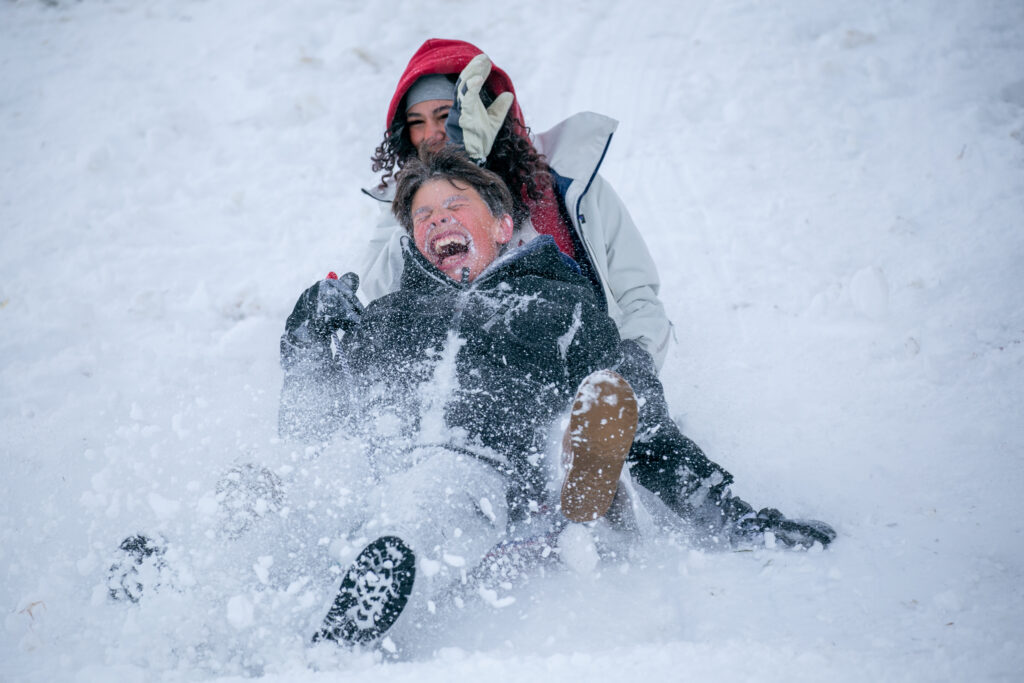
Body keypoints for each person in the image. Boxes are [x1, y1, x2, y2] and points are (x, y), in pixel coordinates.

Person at [280, 148, 835, 647]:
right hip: (383, 467)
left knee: (450, 492)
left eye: (454, 204)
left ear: (501, 226)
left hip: (493, 471)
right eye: (423, 216)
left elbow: (651, 429)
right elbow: (311, 422)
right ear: (414, 243)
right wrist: (306, 335)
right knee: (328, 488)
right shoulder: (390, 317)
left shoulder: (557, 309)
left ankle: (576, 478)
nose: (438, 218)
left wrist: (733, 517)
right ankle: (291, 567)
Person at [359, 38, 674, 370]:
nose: (433, 133)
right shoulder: (400, 205)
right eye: (417, 122)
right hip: (468, 386)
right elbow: (382, 291)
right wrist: (426, 197)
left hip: (588, 366)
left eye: (445, 115)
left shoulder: (571, 187)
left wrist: (633, 364)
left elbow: (638, 296)